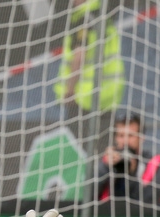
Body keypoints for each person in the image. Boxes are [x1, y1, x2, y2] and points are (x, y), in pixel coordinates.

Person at [53, 0, 124, 139]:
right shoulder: (103, 13)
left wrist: (69, 91)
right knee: (105, 146)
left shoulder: (83, 19)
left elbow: (79, 56)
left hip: (84, 98)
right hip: (107, 94)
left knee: (80, 150)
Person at [96, 113, 160, 205]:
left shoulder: (154, 162)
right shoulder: (108, 161)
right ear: (115, 138)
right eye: (121, 136)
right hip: (108, 216)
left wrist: (131, 174)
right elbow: (89, 196)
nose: (125, 141)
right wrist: (104, 167)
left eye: (130, 135)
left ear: (141, 138)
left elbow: (151, 200)